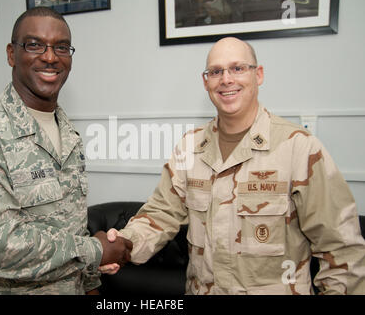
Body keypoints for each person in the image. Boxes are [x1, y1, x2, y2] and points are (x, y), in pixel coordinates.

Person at [102, 37, 365, 294]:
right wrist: (124, 244)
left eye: (238, 68)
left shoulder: (299, 147)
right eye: (216, 71)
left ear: (258, 75)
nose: (226, 79)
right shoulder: (189, 147)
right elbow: (161, 214)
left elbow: (341, 247)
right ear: (206, 82)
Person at [0, 7, 132, 295]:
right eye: (34, 44)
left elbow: (71, 227)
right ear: (11, 54)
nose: (50, 57)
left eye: (61, 47)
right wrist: (96, 250)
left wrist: (91, 285)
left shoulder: (68, 134)